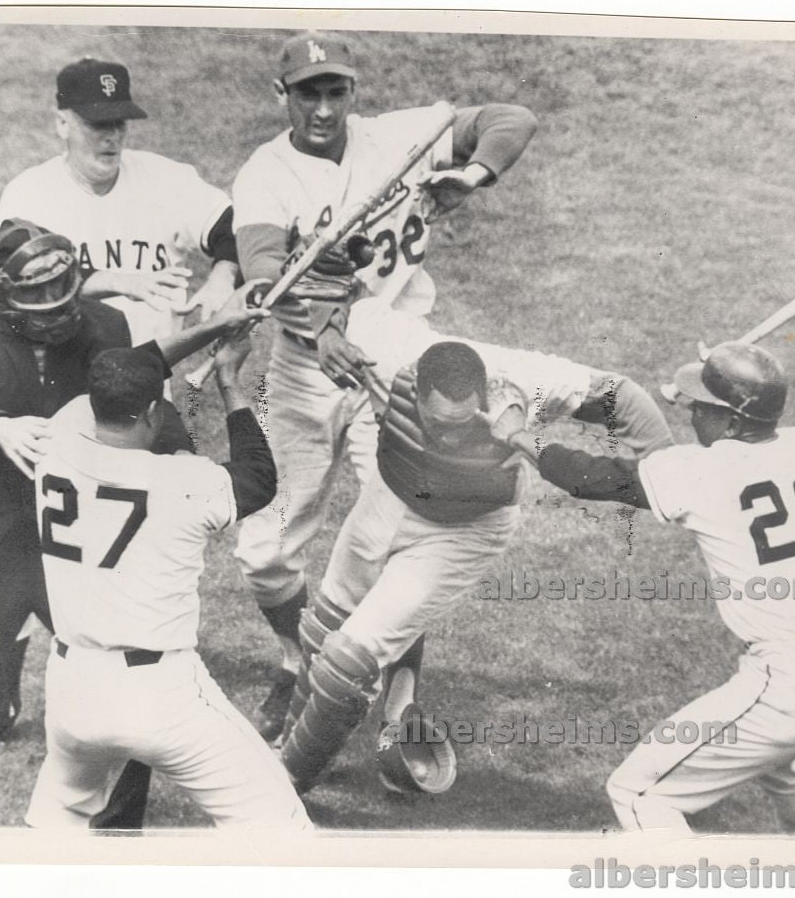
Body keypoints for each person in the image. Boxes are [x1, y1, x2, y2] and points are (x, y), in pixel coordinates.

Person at [0, 219, 264, 827]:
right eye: (35, 300)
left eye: (62, 294)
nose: (54, 312)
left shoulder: (106, 325)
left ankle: (110, 852)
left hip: (79, 549)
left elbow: (141, 396)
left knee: (134, 697)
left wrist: (179, 464)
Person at [231, 30, 540, 738]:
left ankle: (399, 702)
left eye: (334, 91)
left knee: (405, 536)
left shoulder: (401, 137)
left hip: (398, 364)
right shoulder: (265, 175)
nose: (321, 108)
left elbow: (511, 119)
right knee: (265, 550)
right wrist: (323, 332)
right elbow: (261, 273)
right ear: (282, 96)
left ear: (352, 92)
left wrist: (472, 176)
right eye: (306, 92)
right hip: (305, 371)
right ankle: (295, 663)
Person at [277, 300, 674, 792]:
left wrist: (671, 470)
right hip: (389, 496)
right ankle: (284, 747)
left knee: (347, 661)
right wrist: (327, 332)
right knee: (323, 629)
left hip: (464, 530)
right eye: (440, 422)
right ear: (417, 389)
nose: (452, 433)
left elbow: (624, 396)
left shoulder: (531, 381)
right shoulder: (386, 345)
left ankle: (285, 786)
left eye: (464, 421)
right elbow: (333, 293)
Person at [527, 341, 795, 834]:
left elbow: (588, 477)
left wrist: (521, 438)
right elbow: (752, 406)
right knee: (783, 758)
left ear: (732, 422)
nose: (690, 415)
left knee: (639, 794)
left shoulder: (699, 471)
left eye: (702, 407)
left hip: (793, 683)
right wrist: (731, 364)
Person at [25, 331, 312, 830]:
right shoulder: (185, 482)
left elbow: (139, 366)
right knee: (282, 828)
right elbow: (258, 477)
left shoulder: (56, 439)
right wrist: (230, 381)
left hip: (71, 688)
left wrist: (208, 328)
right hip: (160, 695)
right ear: (155, 415)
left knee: (56, 827)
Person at [0, 57, 240, 349]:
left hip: (147, 379)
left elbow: (237, 225)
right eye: (97, 123)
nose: (111, 136)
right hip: (58, 383)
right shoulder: (29, 193)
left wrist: (223, 277)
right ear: (62, 123)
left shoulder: (167, 180)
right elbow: (12, 278)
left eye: (119, 122)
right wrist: (117, 282)